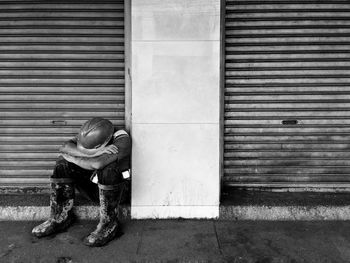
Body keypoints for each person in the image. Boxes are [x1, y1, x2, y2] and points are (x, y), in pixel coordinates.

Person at [31, 117, 131, 247]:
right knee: (63, 163)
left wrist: (75, 158)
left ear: (105, 141)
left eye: (97, 148)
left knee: (108, 169)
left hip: (118, 194)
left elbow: (97, 163)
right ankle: (60, 217)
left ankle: (109, 225)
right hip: (95, 187)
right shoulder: (90, 137)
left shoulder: (122, 140)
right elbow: (64, 147)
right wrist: (94, 152)